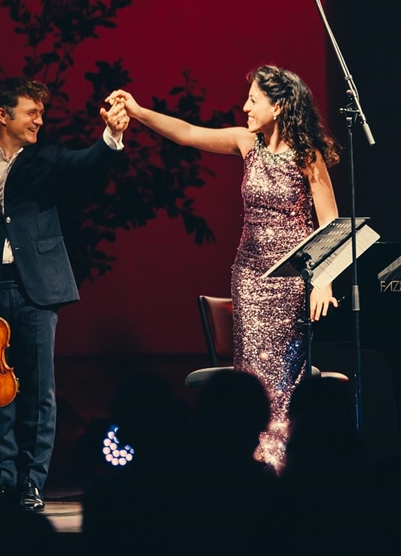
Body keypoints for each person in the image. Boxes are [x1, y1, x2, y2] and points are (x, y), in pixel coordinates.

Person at [106, 64, 339, 468]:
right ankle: (253, 467)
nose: (245, 106)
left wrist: (324, 283)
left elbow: (331, 227)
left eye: (254, 100)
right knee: (252, 379)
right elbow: (187, 132)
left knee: (283, 383)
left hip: (290, 286)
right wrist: (140, 112)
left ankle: (287, 465)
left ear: (279, 106)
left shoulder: (307, 155)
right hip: (249, 278)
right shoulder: (246, 143)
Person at [0, 77, 129, 511]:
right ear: (4, 116)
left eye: (42, 113)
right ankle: (3, 478)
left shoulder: (45, 154)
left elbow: (87, 163)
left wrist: (112, 135)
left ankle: (32, 482)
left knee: (39, 388)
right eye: (32, 112)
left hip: (37, 285)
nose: (40, 120)